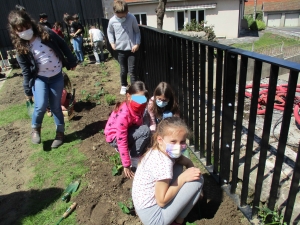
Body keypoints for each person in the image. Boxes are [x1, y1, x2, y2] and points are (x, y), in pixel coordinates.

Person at [8, 10, 77, 148]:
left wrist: (71, 60)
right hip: (40, 78)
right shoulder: (21, 47)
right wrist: (28, 91)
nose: (25, 31)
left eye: (27, 27)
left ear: (31, 23)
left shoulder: (46, 33)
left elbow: (62, 44)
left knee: (56, 106)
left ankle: (60, 133)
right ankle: (35, 129)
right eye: (20, 30)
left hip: (56, 76)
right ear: (15, 31)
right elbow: (26, 71)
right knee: (40, 105)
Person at [132, 117, 204, 225]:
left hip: (143, 208)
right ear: (160, 139)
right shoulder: (163, 163)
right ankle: (178, 221)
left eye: (182, 141)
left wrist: (189, 169)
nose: (178, 147)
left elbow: (186, 162)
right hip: (155, 219)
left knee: (180, 167)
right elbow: (161, 201)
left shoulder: (159, 150)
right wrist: (183, 178)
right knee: (198, 180)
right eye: (173, 141)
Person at [104, 81, 151, 178]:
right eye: (137, 99)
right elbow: (122, 139)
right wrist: (126, 165)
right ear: (128, 96)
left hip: (127, 131)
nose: (140, 102)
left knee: (145, 132)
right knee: (145, 131)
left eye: (142, 100)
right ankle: (134, 159)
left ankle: (132, 151)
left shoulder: (140, 106)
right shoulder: (124, 114)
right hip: (115, 138)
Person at [107, 0, 141, 95]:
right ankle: (123, 85)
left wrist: (137, 44)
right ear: (115, 12)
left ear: (127, 11)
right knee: (123, 69)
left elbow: (137, 31)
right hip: (120, 49)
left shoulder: (131, 18)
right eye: (120, 16)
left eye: (124, 15)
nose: (122, 17)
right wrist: (112, 42)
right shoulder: (112, 21)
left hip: (132, 49)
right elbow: (110, 32)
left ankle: (134, 89)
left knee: (132, 70)